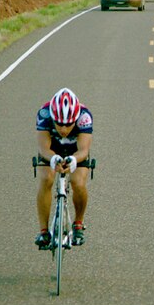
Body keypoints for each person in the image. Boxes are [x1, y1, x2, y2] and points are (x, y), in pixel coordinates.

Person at [35, 87, 93, 248]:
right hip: (52, 149)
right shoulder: (44, 114)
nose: (63, 129)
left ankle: (78, 223)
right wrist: (53, 158)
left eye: (68, 125)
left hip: (75, 151)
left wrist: (74, 160)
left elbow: (84, 150)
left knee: (78, 183)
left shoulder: (85, 116)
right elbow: (43, 148)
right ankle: (44, 231)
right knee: (46, 179)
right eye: (59, 124)